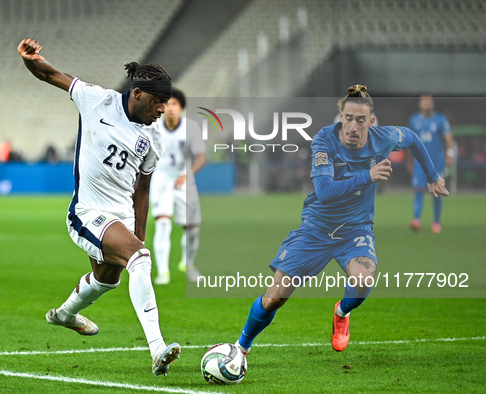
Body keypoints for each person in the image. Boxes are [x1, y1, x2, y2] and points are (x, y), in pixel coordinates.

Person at [234, 85, 449, 356]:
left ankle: (342, 311)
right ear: (340, 115)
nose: (353, 126)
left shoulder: (385, 137)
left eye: (360, 120)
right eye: (348, 118)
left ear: (371, 122)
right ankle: (241, 347)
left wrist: (432, 175)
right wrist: (367, 176)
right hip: (316, 228)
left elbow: (413, 139)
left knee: (364, 278)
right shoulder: (324, 141)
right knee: (274, 298)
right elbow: (324, 192)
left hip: (355, 229)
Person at [17, 38, 180, 377]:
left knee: (108, 278)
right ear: (138, 93)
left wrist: (138, 235)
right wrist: (30, 59)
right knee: (139, 259)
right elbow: (51, 75)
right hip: (87, 214)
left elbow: (143, 190)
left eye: (165, 103)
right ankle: (157, 349)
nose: (162, 109)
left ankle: (63, 315)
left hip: (120, 216)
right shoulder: (97, 100)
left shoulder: (154, 139)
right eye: (158, 101)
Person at [150, 88, 206, 285]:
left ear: (181, 108)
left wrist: (187, 173)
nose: (171, 108)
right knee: (163, 223)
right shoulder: (153, 126)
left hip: (184, 179)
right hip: (162, 179)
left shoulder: (190, 127)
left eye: (175, 104)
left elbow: (201, 157)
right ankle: (163, 272)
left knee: (192, 229)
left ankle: (188, 264)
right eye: (167, 104)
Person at [408, 95, 454, 234]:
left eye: (429, 102)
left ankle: (436, 222)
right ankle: (416, 220)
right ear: (420, 104)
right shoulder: (414, 120)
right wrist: (409, 160)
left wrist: (450, 154)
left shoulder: (440, 119)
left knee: (437, 191)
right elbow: (410, 141)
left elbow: (448, 138)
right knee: (419, 189)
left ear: (432, 104)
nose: (427, 104)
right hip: (419, 162)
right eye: (424, 102)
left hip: (436, 161)